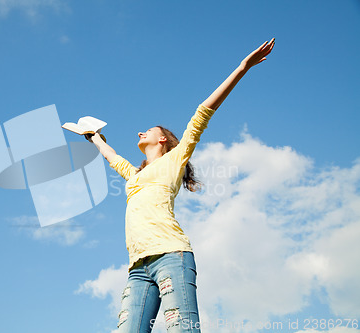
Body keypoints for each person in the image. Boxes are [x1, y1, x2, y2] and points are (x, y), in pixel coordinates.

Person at [85, 38, 275, 333]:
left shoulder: (174, 160)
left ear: (162, 139)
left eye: (147, 130)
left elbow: (202, 113)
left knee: (182, 329)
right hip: (137, 268)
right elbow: (113, 158)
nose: (140, 131)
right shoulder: (134, 176)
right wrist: (92, 135)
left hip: (172, 256)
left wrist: (242, 68)